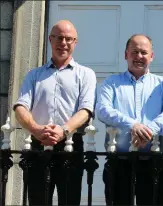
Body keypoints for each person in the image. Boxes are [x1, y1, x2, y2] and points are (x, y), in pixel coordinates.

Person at [13, 20, 96, 205]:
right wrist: (36, 130)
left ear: (75, 42)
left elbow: (86, 110)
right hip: (38, 144)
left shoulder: (86, 74)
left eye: (68, 39)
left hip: (70, 145)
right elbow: (20, 108)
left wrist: (63, 131)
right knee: (38, 201)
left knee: (69, 201)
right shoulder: (34, 75)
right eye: (59, 38)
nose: (63, 43)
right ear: (50, 40)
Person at [96, 34, 163, 205]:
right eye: (134, 52)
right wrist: (133, 125)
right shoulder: (111, 83)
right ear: (126, 54)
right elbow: (103, 110)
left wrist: (148, 131)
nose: (139, 57)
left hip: (153, 163)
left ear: (151, 56)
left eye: (143, 52)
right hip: (119, 163)